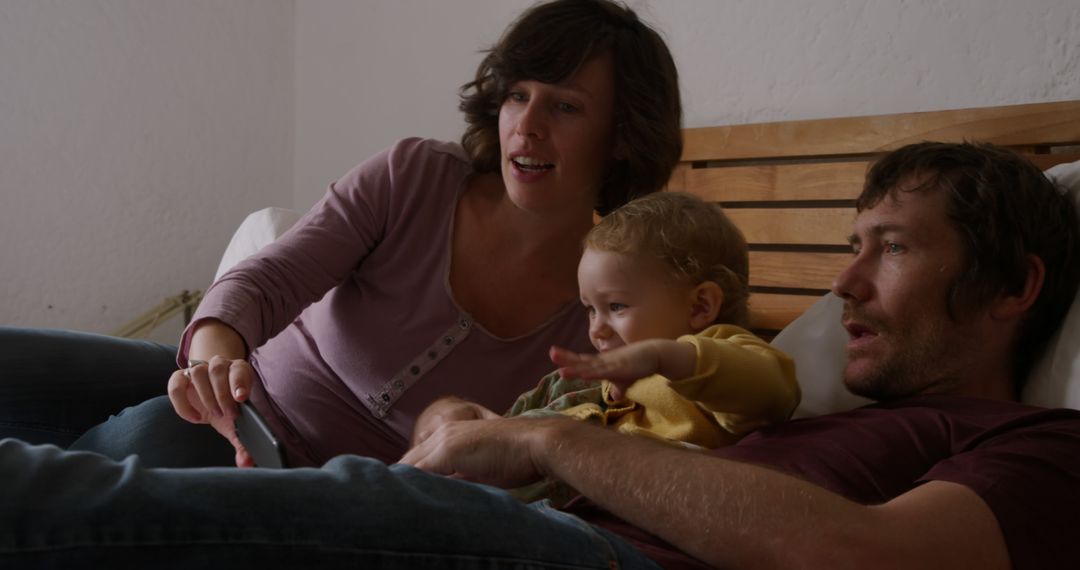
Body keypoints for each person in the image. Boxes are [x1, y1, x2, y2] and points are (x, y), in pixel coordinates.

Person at [4, 141, 1077, 569]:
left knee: (371, 509)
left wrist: (552, 442)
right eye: (847, 250)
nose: (842, 286)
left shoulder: (1036, 448)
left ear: (1015, 288)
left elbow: (869, 559)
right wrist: (475, 432)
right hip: (538, 529)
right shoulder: (803, 403)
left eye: (888, 252)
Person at [0, 0, 683, 468]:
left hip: (295, 479)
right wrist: (212, 358)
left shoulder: (608, 311)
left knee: (119, 457)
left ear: (623, 137)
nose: (525, 127)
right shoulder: (415, 175)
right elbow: (265, 280)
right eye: (516, 94)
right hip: (232, 391)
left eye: (564, 106)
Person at [413, 191, 799, 505]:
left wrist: (663, 357)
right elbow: (501, 437)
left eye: (616, 306)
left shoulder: (714, 367)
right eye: (589, 310)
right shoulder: (578, 389)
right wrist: (455, 421)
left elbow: (773, 390)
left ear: (700, 307)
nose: (596, 329)